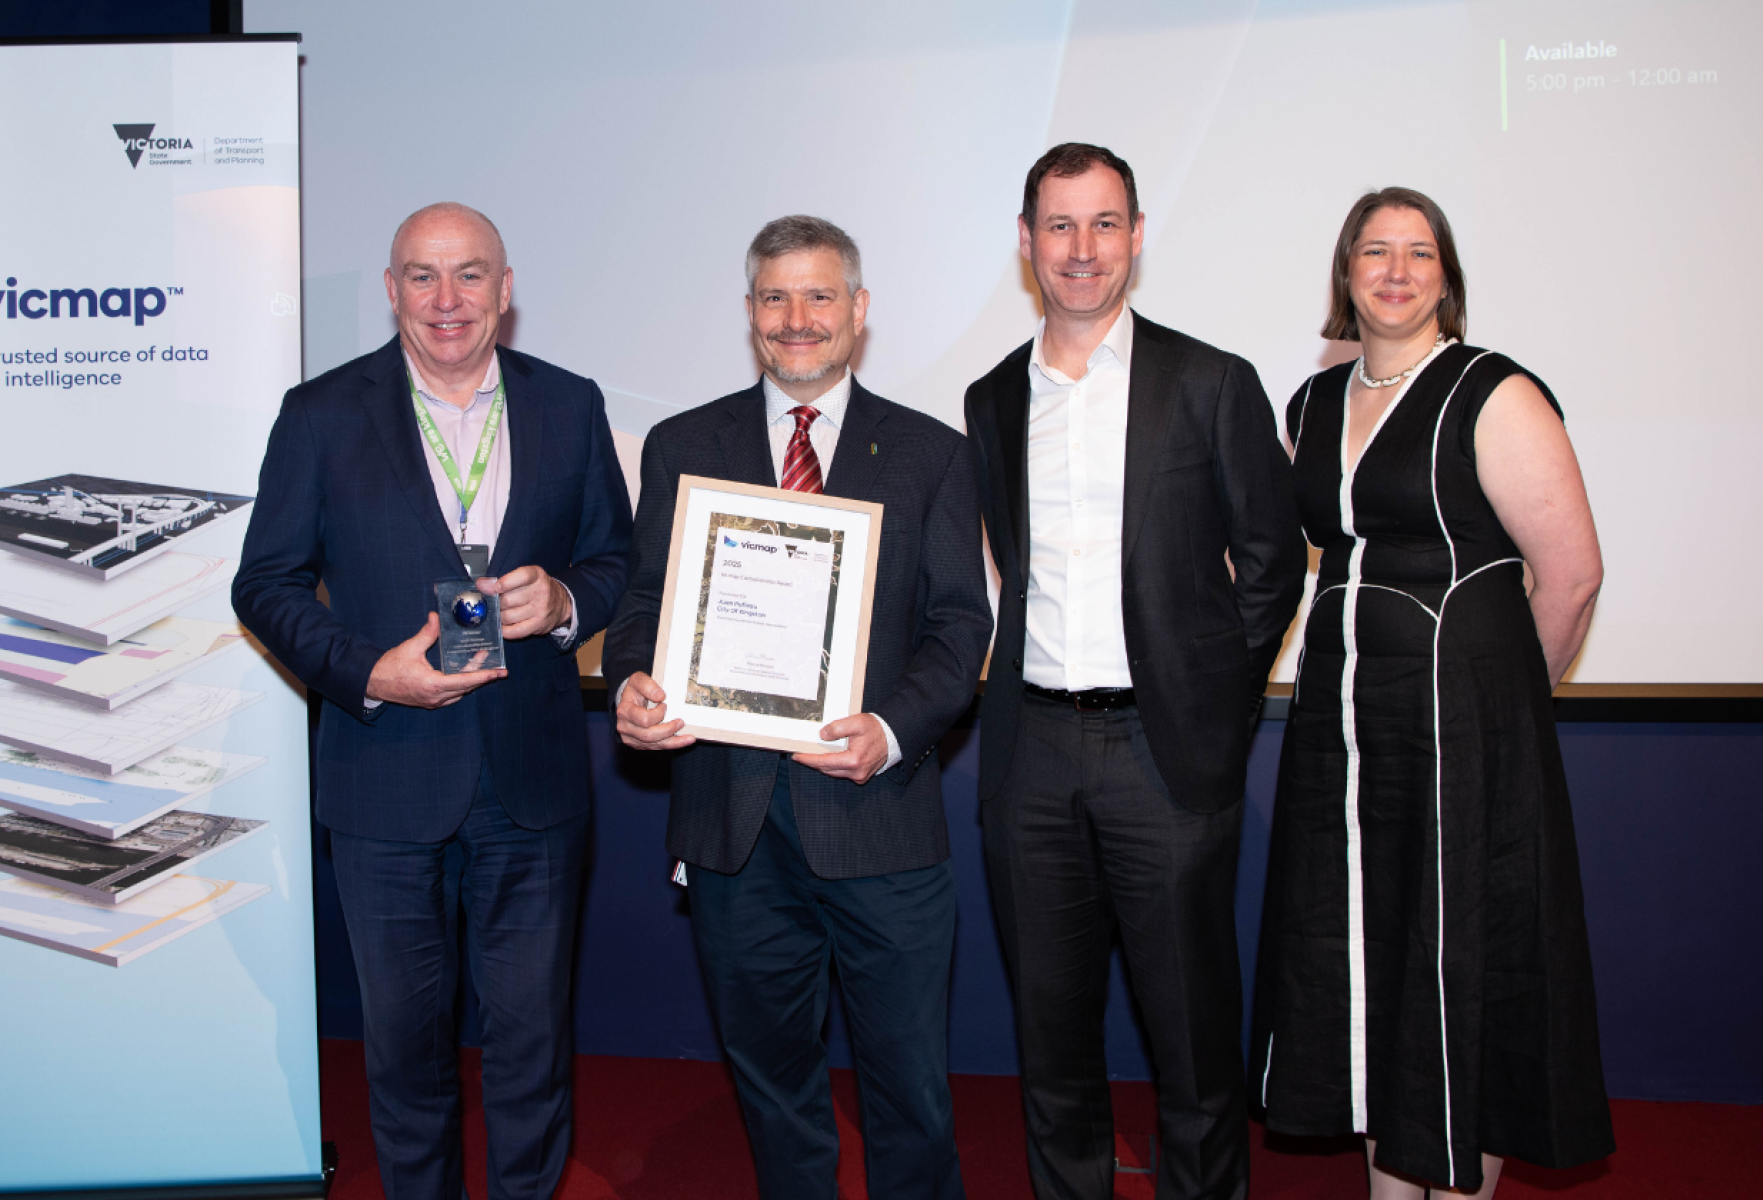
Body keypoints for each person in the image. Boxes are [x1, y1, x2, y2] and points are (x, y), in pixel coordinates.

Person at [232, 202, 632, 1200]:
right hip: (384, 783)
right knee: (405, 1059)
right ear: (390, 289)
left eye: (468, 276)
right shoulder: (321, 414)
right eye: (421, 275)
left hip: (531, 787)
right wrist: (370, 672)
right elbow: (264, 584)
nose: (446, 301)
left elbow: (618, 563)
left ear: (505, 290)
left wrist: (566, 602)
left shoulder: (570, 406)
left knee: (531, 1051)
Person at [605, 215, 991, 1200]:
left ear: (857, 311)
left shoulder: (930, 454)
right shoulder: (683, 444)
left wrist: (892, 731)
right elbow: (642, 609)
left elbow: (958, 626)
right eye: (775, 297)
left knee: (907, 1090)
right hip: (732, 829)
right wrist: (633, 684)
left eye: (819, 295)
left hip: (881, 825)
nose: (797, 318)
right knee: (773, 1090)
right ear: (748, 314)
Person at [1248, 187, 1614, 1197]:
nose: (1395, 271)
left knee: (1459, 960)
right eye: (1374, 252)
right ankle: (1388, 1178)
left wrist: (1499, 707)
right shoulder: (1313, 402)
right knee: (1365, 955)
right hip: (1342, 731)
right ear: (1345, 274)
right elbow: (1289, 552)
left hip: (1463, 730)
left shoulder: (1492, 392)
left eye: (1417, 253)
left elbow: (1571, 575)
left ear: (1445, 277)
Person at [962, 143, 1307, 1200]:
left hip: (1164, 755)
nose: (1081, 249)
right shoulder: (989, 400)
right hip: (1028, 756)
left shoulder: (1208, 381)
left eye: (1103, 223)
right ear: (1025, 244)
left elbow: (1270, 562)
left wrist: (1208, 700)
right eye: (1058, 226)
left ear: (1137, 235)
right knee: (1050, 1034)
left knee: (1192, 1038)